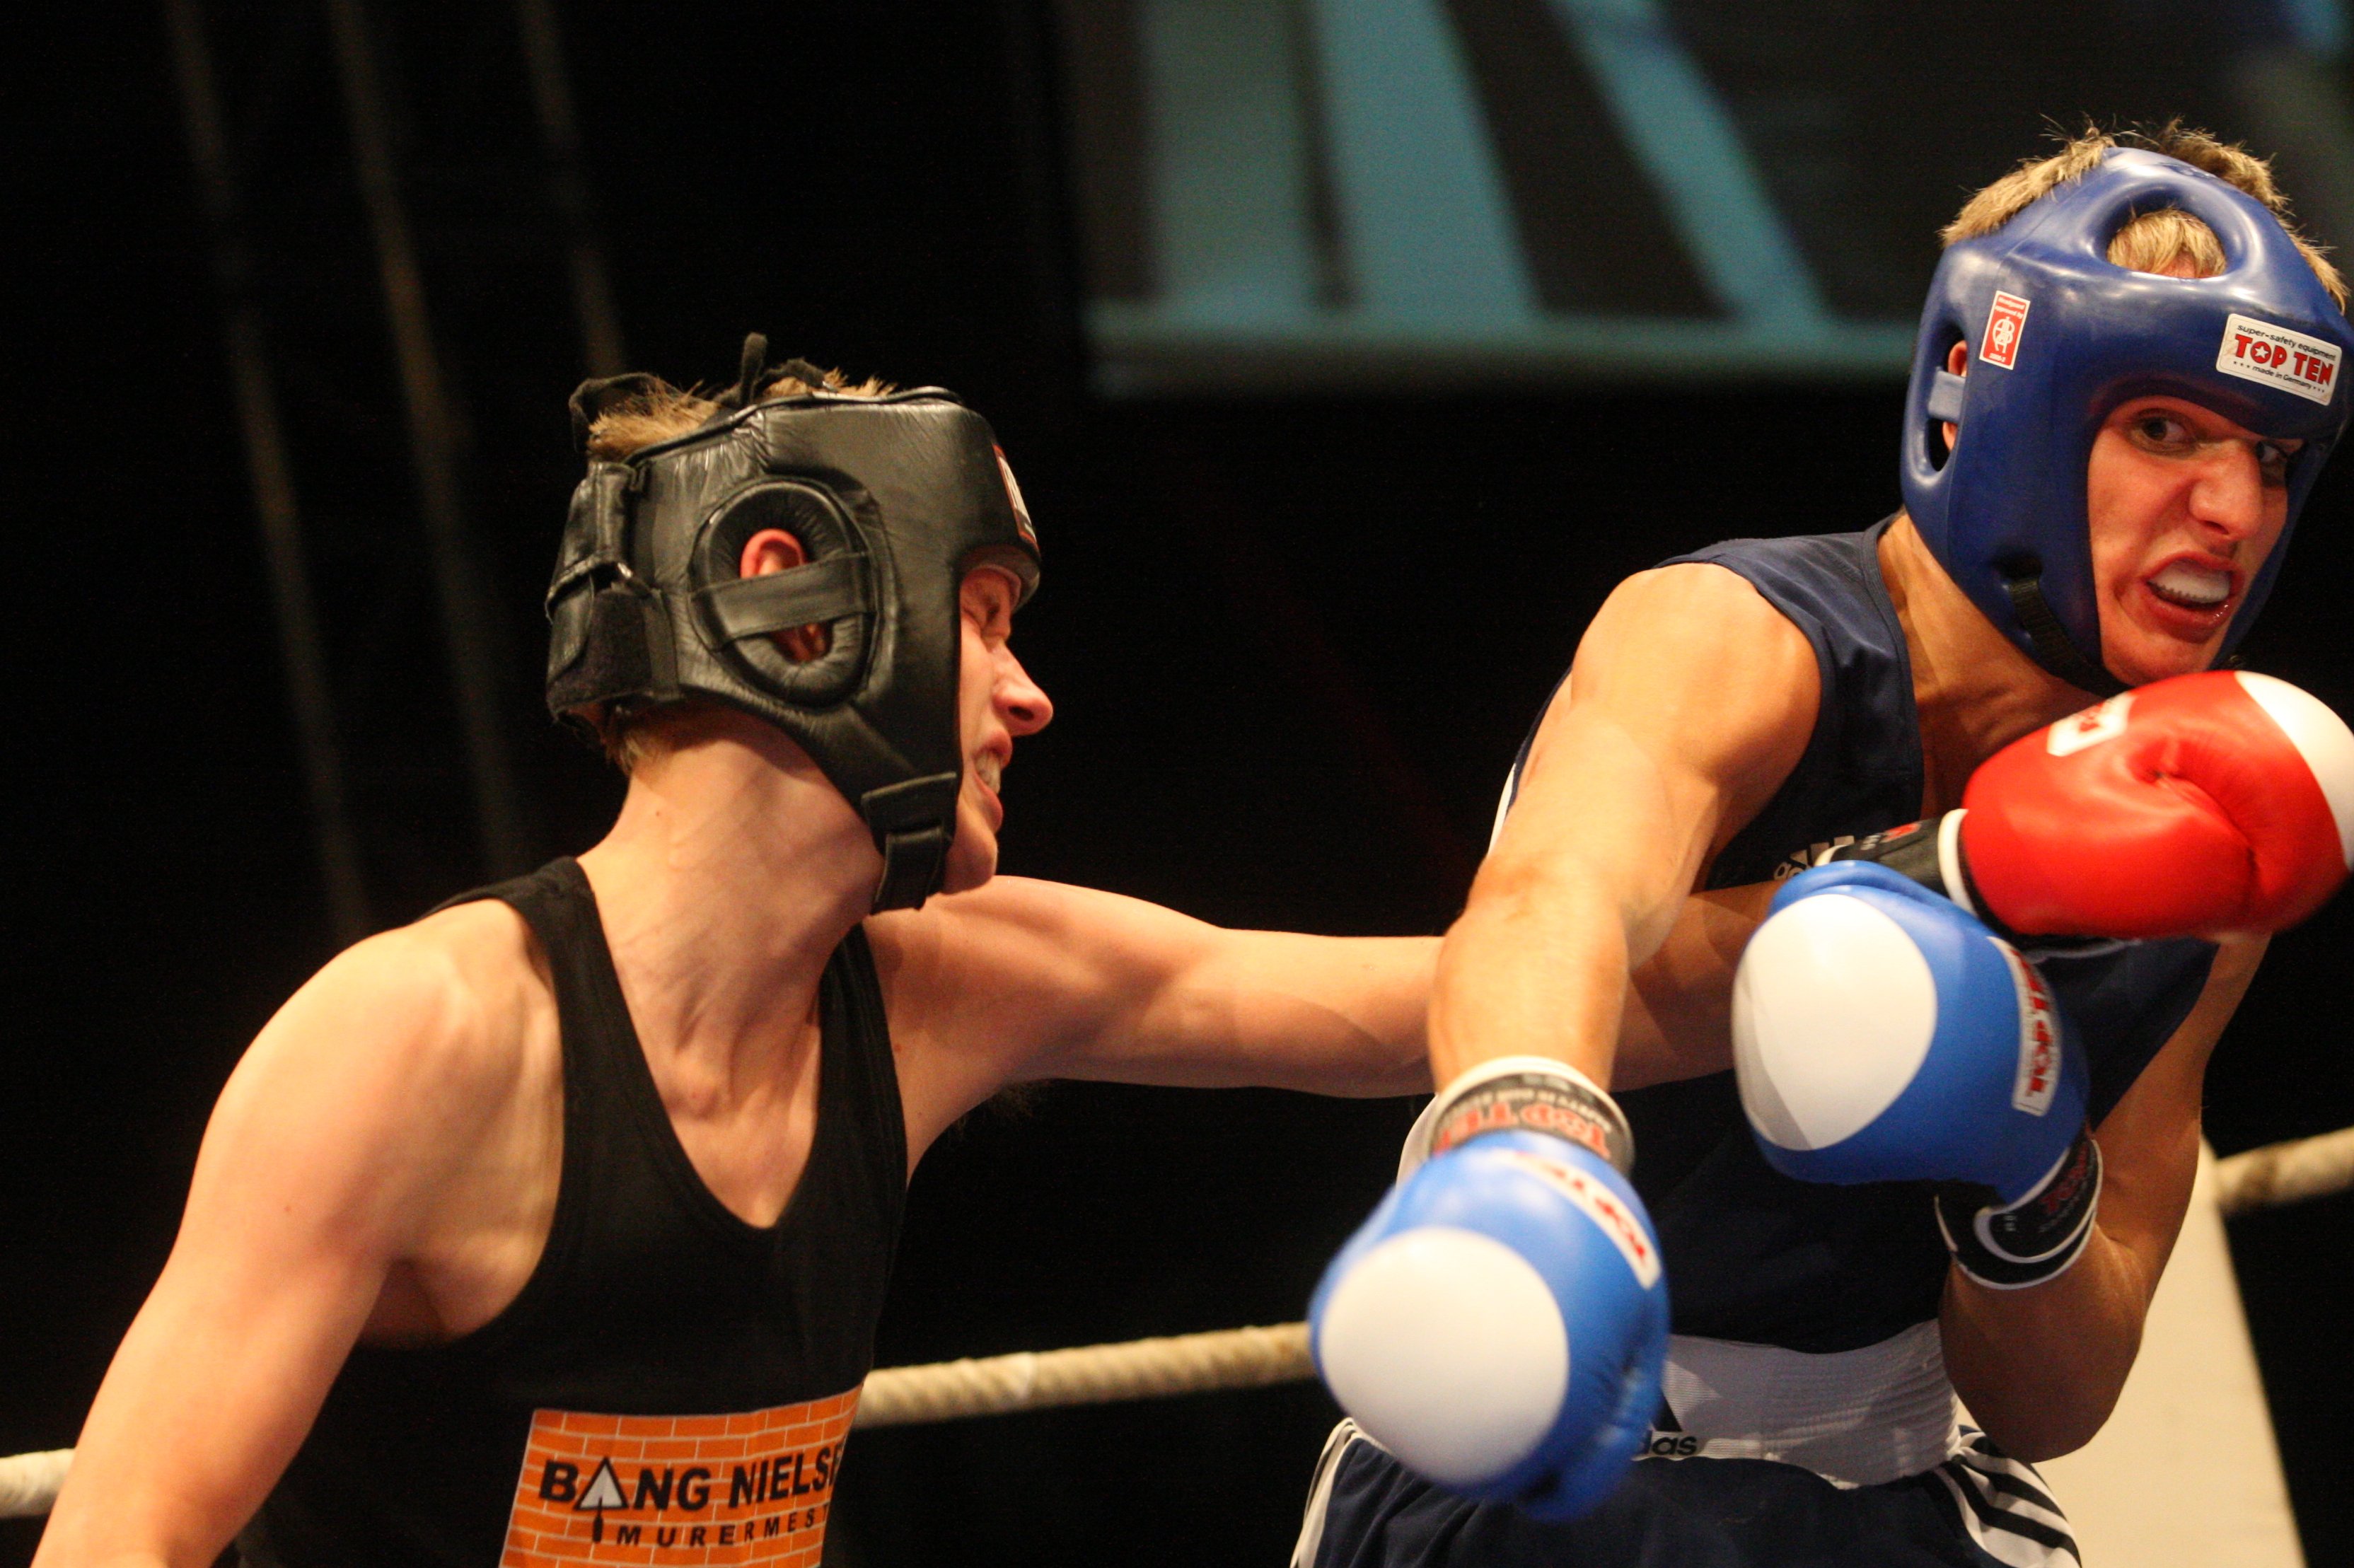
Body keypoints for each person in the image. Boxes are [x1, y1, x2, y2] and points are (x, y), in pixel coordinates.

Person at [32, 339, 1731, 1568]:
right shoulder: (423, 1036)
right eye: (984, 619)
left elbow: (1430, 1003)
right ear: (792, 597)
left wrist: (1843, 919)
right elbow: (125, 1535)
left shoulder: (949, 980)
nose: (1029, 695)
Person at [1301, 126, 2354, 1568]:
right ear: (1990, 393)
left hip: (1896, 1494)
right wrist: (1530, 1158)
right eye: (2166, 431)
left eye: (2274, 456)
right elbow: (1553, 899)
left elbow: (2059, 1397)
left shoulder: (2208, 837)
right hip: (1540, 1468)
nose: (2234, 512)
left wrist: (2025, 1172)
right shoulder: (1735, 633)